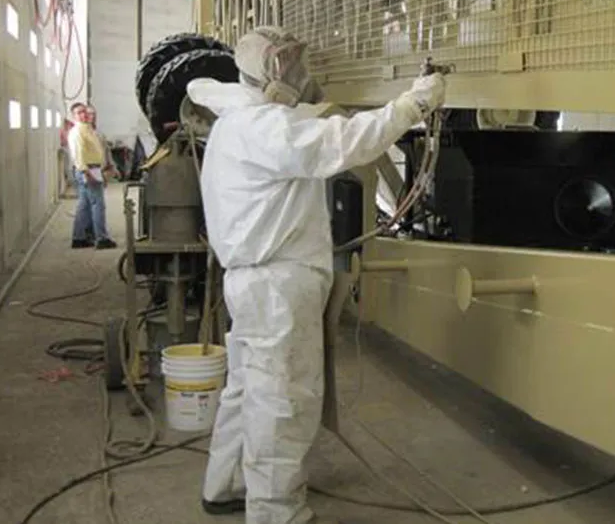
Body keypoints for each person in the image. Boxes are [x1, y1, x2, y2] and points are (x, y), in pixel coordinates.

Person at [187, 26, 445, 524]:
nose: (298, 75)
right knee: (282, 399)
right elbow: (344, 142)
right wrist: (414, 103)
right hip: (277, 287)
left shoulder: (237, 120)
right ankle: (276, 511)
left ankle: (226, 484)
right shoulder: (265, 128)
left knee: (247, 388)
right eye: (288, 65)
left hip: (256, 282)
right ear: (264, 72)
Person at [69, 103, 117, 250]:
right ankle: (102, 238)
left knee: (84, 205)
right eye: (79, 113)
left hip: (93, 168)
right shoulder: (77, 132)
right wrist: (86, 172)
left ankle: (79, 238)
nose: (83, 115)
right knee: (98, 204)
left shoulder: (87, 129)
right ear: (73, 116)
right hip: (89, 170)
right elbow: (79, 154)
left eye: (84, 112)